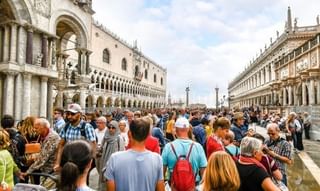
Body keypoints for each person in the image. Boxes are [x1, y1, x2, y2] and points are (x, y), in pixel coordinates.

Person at [105, 118, 165, 191]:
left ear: (129, 133)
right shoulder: (157, 159)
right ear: (148, 135)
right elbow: (160, 188)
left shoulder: (114, 158)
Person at [162, 117, 207, 186]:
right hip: (193, 186)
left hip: (174, 186)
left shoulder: (168, 147)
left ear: (176, 130)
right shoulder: (198, 147)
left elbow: (162, 172)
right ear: (188, 129)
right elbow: (204, 174)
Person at [54, 103, 96, 172]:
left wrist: (89, 164)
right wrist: (58, 163)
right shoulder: (66, 127)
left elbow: (92, 145)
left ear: (79, 114)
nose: (69, 116)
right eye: (68, 114)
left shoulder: (86, 127)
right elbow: (61, 145)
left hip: (82, 162)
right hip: (68, 160)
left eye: (73, 114)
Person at [21, 118, 60, 184]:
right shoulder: (44, 136)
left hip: (50, 172)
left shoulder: (52, 137)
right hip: (45, 171)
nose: (34, 130)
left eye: (36, 128)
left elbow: (42, 158)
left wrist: (27, 172)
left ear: (44, 128)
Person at [98, 120, 125, 191]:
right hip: (104, 161)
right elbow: (101, 148)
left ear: (116, 128)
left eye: (113, 128)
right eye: (109, 127)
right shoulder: (106, 137)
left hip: (115, 163)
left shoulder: (119, 138)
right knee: (103, 179)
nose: (110, 129)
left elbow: (122, 152)